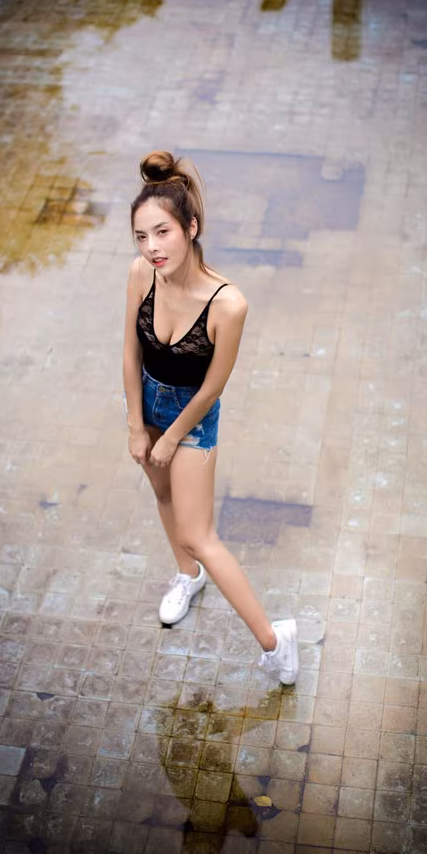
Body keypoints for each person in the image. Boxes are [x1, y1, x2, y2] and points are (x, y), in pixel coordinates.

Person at [122, 151, 298, 685]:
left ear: (191, 228)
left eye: (163, 233)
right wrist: (136, 423)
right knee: (163, 497)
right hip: (146, 404)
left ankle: (276, 643)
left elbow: (215, 386)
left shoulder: (229, 304)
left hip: (191, 419)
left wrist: (171, 438)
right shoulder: (140, 275)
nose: (152, 248)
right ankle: (186, 577)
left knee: (200, 534)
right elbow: (130, 351)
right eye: (141, 236)